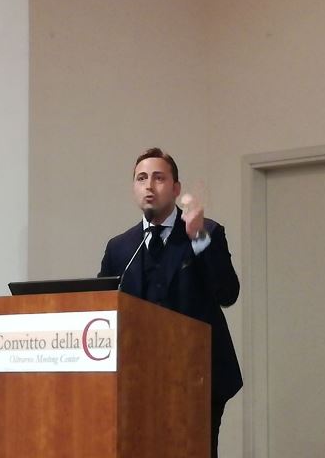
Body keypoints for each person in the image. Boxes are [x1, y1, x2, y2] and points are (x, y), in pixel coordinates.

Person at [99, 147, 242, 457]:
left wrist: (198, 238)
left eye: (159, 178)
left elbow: (227, 293)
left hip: (198, 377)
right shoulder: (120, 247)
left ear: (176, 189)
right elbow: (102, 307)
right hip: (138, 379)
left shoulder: (206, 232)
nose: (149, 186)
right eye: (141, 178)